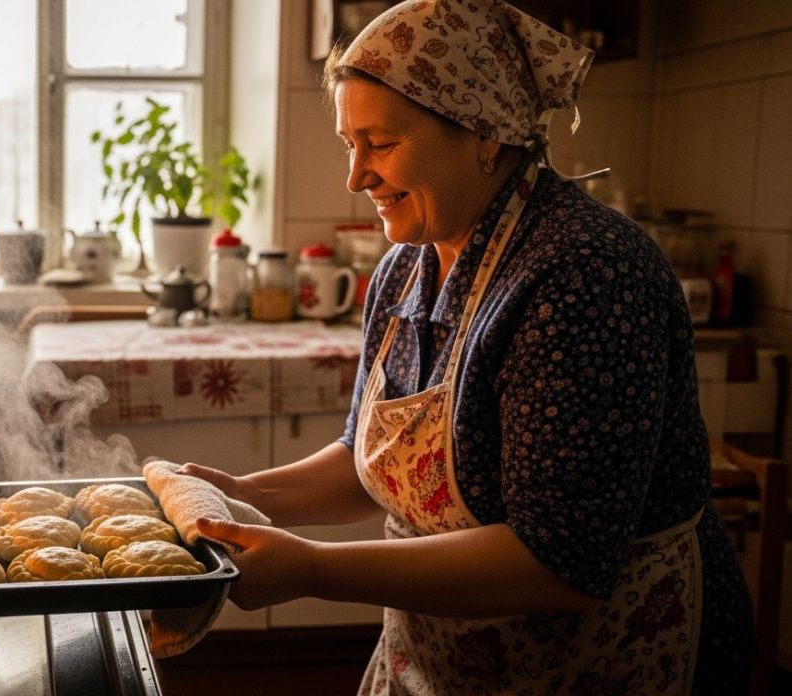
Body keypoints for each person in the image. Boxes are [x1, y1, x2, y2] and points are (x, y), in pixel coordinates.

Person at [180, 0, 756, 692]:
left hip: (607, 658)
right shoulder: (406, 264)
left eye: (381, 144)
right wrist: (244, 496)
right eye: (348, 144)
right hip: (446, 656)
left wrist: (311, 567)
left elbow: (559, 561)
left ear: (483, 134)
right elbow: (375, 461)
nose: (355, 176)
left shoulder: (584, 273)